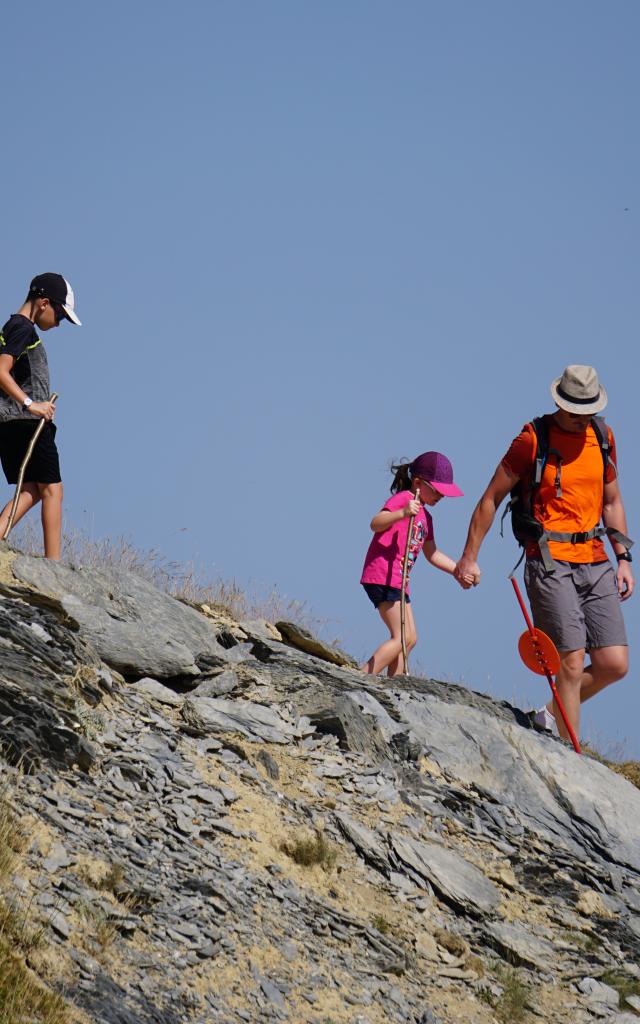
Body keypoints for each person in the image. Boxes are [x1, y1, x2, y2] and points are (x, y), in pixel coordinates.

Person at [455, 366, 633, 742]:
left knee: (614, 664)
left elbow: (612, 501)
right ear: (558, 403)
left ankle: (550, 715)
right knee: (570, 662)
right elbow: (490, 498)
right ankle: (572, 755)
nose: (581, 418)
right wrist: (469, 557)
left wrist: (624, 558)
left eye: (587, 411)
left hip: (597, 559)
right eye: (573, 411)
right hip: (549, 560)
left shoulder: (603, 437)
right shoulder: (532, 439)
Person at [360, 451, 470, 676]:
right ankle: (361, 677)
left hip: (399, 581)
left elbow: (432, 554)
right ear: (418, 483)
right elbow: (375, 523)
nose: (442, 496)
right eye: (438, 490)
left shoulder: (426, 518)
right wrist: (402, 512)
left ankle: (394, 685)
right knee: (401, 637)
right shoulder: (404, 500)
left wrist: (457, 571)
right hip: (383, 575)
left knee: (411, 638)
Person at [0, 273, 81, 560]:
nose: (59, 323)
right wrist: (32, 404)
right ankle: (53, 566)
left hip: (10, 423)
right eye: (59, 315)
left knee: (33, 489)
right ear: (44, 303)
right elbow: (0, 371)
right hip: (26, 423)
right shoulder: (22, 328)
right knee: (52, 491)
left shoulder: (13, 327)